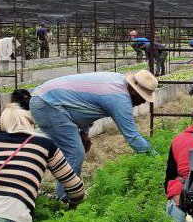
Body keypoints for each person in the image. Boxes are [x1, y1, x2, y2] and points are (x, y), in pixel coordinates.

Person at [29, 70, 158, 197]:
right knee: (75, 153)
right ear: (134, 91)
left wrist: (83, 133)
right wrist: (157, 159)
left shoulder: (118, 82)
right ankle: (65, 199)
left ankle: (39, 183)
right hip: (48, 103)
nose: (143, 102)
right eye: (142, 97)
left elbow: (83, 105)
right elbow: (132, 137)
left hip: (47, 99)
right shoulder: (119, 98)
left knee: (64, 151)